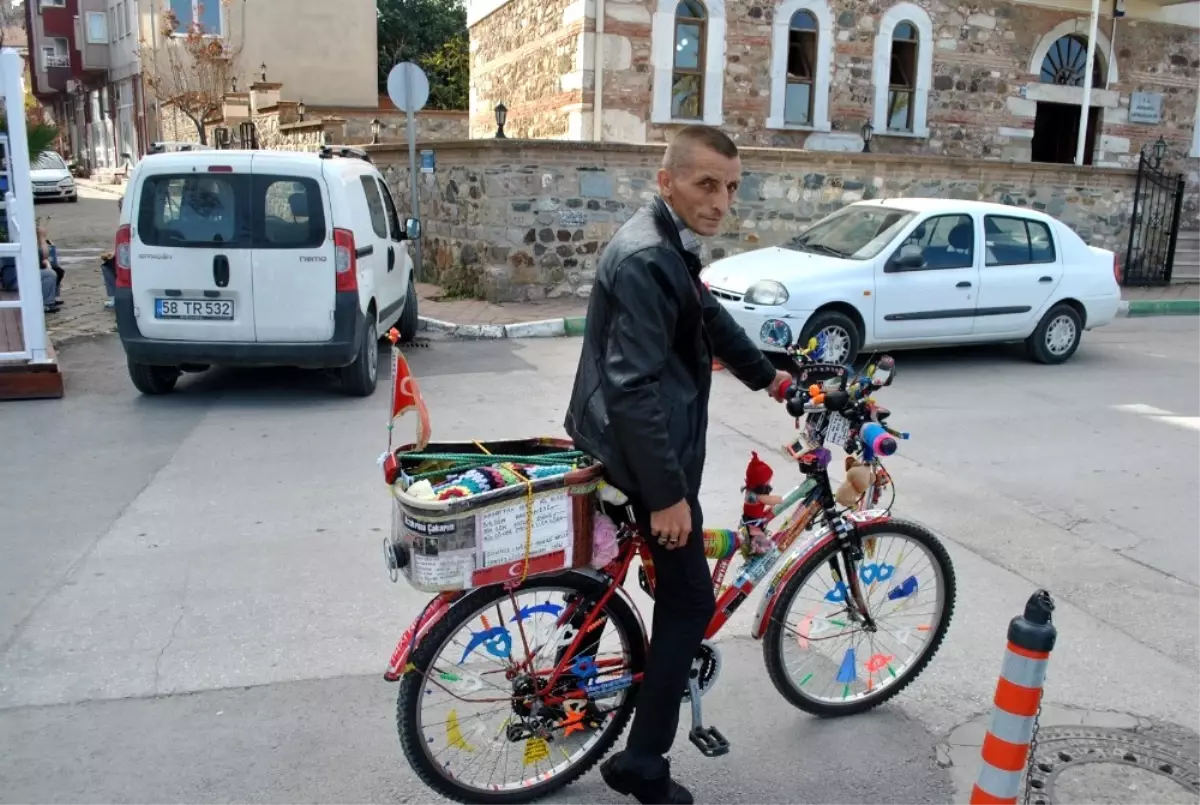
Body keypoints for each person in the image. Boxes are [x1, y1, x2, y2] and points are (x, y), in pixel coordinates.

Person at [563, 125, 791, 805]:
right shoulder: (646, 258)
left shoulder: (667, 244)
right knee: (690, 597)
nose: (722, 201)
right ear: (667, 181)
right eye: (706, 184)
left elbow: (705, 315)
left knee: (613, 568)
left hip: (624, 440)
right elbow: (633, 388)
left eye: (731, 187)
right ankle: (643, 763)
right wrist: (665, 496)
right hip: (640, 454)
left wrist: (769, 377)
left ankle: (572, 678)